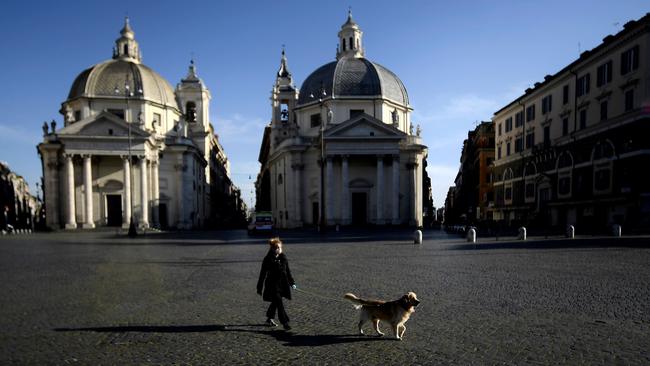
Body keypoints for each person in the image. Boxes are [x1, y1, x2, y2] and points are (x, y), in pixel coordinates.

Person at [257, 237, 296, 330]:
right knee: (279, 302)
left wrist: (292, 283)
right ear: (272, 248)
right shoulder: (267, 259)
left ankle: (269, 318)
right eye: (276, 248)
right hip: (272, 284)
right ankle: (285, 322)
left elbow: (288, 271)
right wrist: (259, 287)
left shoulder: (283, 258)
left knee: (275, 302)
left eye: (279, 247)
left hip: (282, 284)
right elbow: (262, 273)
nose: (278, 249)